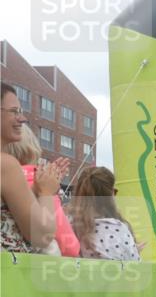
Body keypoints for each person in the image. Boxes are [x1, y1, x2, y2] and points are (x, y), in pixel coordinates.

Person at [0, 83, 64, 253]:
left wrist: (33, 190)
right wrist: (46, 192)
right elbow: (41, 236)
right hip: (8, 276)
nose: (22, 119)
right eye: (14, 111)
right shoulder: (6, 165)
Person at [3, 124, 78, 256]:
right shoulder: (42, 185)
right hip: (26, 270)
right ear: (32, 147)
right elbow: (69, 246)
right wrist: (48, 191)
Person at [65, 167, 141, 261]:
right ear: (108, 197)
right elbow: (136, 267)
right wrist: (131, 250)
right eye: (114, 192)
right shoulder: (117, 229)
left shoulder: (66, 226)